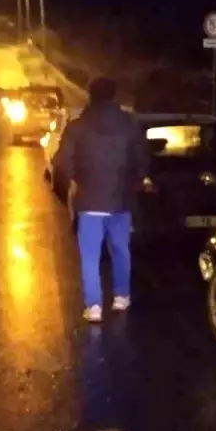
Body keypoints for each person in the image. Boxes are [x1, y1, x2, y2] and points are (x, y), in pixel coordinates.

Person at [53, 77, 150, 323]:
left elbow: (61, 162)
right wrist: (133, 181)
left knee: (90, 256)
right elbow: (142, 162)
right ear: (114, 96)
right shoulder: (130, 125)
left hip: (89, 203)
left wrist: (78, 178)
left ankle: (94, 306)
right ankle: (122, 296)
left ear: (90, 95)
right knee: (120, 250)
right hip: (121, 202)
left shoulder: (77, 126)